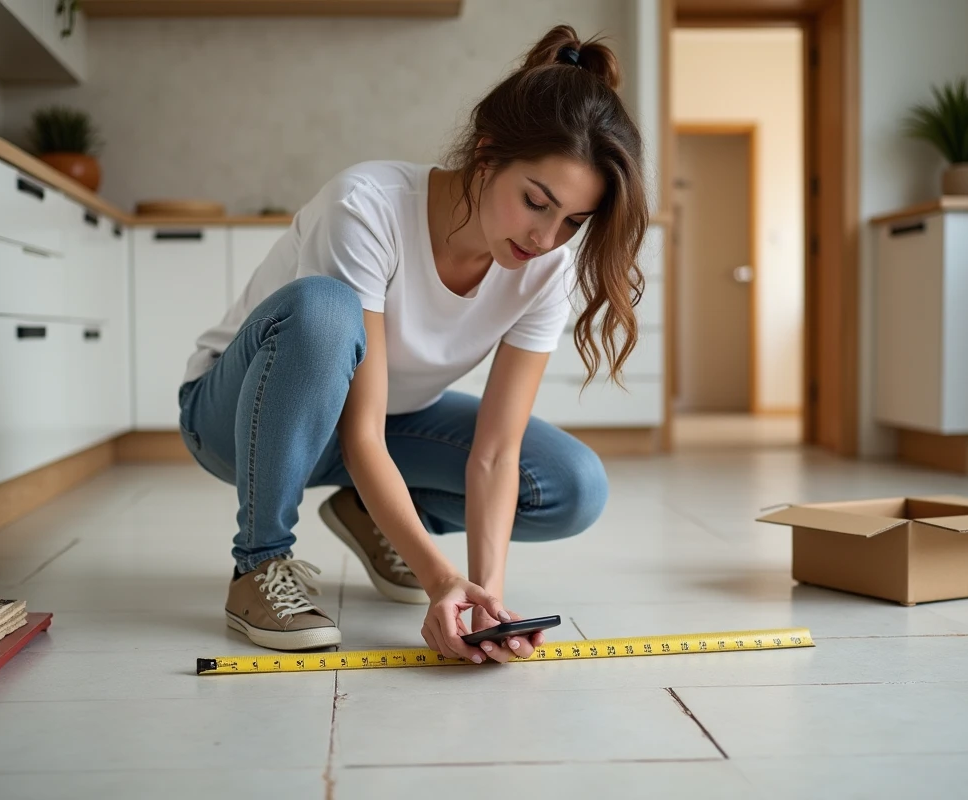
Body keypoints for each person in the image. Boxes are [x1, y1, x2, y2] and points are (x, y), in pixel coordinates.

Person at [176, 24, 648, 666]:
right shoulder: (367, 207)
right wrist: (437, 578)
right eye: (536, 202)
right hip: (238, 422)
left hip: (382, 430)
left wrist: (483, 597)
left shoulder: (546, 269)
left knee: (571, 485)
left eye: (571, 222)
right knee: (325, 309)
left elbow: (496, 454)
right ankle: (259, 565)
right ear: (487, 155)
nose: (545, 237)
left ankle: (369, 514)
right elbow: (360, 432)